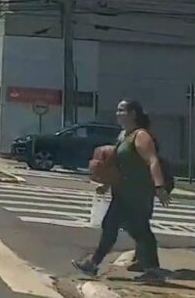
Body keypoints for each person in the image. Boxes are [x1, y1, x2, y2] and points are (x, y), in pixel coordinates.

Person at [73, 99, 170, 278]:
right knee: (130, 228)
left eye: (121, 110)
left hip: (137, 193)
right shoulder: (124, 135)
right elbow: (118, 165)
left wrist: (159, 186)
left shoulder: (140, 136)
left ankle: (96, 264)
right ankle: (148, 268)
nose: (117, 113)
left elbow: (152, 160)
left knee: (132, 229)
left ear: (133, 114)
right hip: (123, 191)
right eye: (117, 110)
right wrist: (106, 185)